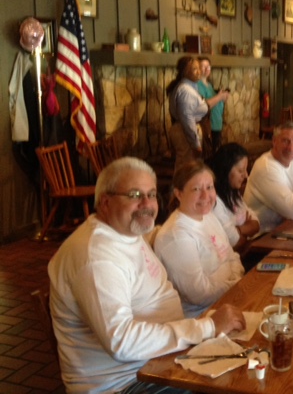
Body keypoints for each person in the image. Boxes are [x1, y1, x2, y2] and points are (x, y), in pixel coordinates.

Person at [48, 157, 245, 394]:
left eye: (151, 194)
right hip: (124, 384)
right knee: (237, 385)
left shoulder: (126, 231)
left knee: (248, 363)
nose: (147, 204)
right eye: (134, 195)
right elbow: (121, 341)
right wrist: (206, 328)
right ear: (105, 202)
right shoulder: (97, 258)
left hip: (159, 362)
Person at [154, 161, 245, 318]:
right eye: (196, 189)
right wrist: (235, 284)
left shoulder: (208, 215)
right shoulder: (176, 236)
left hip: (230, 299)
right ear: (178, 194)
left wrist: (237, 280)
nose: (205, 196)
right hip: (203, 316)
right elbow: (199, 295)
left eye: (209, 187)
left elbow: (232, 256)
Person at [209, 143, 260, 251]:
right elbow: (235, 242)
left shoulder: (232, 194)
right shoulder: (215, 201)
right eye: (241, 170)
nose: (246, 175)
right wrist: (246, 228)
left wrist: (239, 230)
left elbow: (256, 224)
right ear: (225, 170)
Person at [167, 56, 209, 169]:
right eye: (195, 69)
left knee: (188, 167)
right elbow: (187, 118)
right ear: (185, 71)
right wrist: (195, 144)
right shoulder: (185, 90)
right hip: (185, 134)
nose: (199, 72)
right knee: (187, 168)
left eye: (199, 68)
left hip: (186, 132)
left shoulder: (189, 87)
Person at [197, 57, 230, 156]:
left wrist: (222, 96)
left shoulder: (209, 85)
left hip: (216, 124)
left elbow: (215, 100)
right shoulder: (198, 85)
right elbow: (203, 106)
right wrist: (220, 97)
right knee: (211, 155)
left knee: (216, 153)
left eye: (208, 66)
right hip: (209, 126)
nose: (207, 69)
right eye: (203, 66)